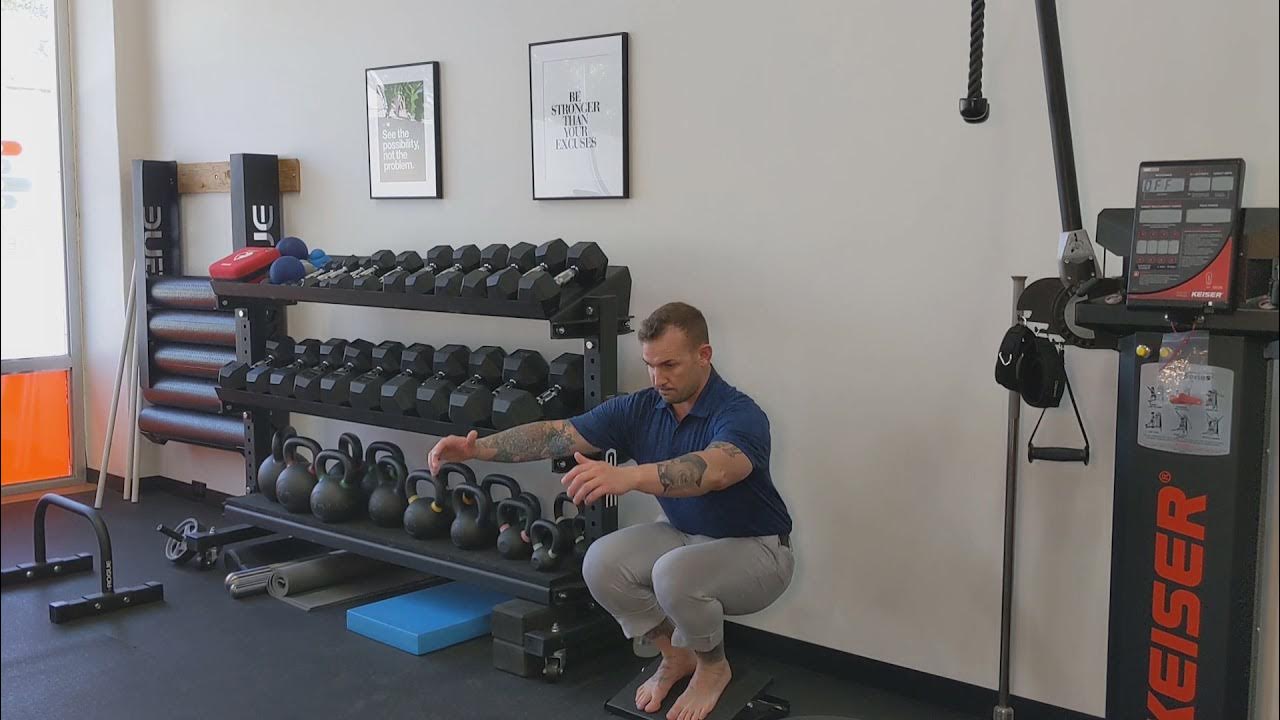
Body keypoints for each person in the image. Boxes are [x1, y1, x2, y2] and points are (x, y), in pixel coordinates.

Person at [428, 302, 794, 720]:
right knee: (601, 562)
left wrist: (630, 477)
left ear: (704, 355)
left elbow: (717, 471)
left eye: (670, 365)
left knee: (673, 573)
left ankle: (713, 668)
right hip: (684, 534)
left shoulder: (740, 414)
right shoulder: (642, 408)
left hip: (758, 550)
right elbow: (557, 435)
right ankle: (675, 655)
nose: (658, 378)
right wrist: (477, 449)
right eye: (650, 365)